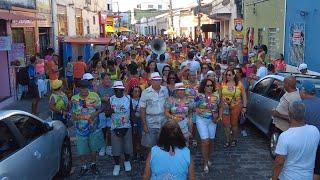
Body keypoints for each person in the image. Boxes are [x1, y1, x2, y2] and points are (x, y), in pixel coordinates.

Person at [272, 101, 320, 180]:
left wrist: (274, 178)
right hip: (307, 177)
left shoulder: (285, 136)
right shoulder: (315, 130)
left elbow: (279, 162)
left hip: (288, 177)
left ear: (289, 115)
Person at [71, 80, 103, 176]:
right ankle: (83, 166)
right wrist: (76, 117)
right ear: (78, 88)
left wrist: (94, 115)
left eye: (86, 88)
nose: (84, 90)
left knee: (93, 148)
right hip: (80, 129)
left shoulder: (95, 96)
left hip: (93, 128)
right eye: (82, 88)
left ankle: (93, 164)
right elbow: (72, 112)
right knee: (81, 149)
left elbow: (100, 108)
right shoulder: (74, 98)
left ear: (88, 88)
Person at [105, 81, 133, 176]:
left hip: (127, 126)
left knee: (128, 146)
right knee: (116, 148)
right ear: (114, 90)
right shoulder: (111, 99)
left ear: (122, 89)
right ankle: (117, 164)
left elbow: (131, 112)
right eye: (116, 90)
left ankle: (126, 161)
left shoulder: (128, 98)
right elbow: (106, 114)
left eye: (120, 90)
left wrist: (134, 125)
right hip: (115, 127)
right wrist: (110, 111)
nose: (118, 91)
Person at [195, 78, 220, 173]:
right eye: (207, 85)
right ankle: (205, 163)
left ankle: (208, 157)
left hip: (212, 121)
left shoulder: (216, 96)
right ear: (204, 87)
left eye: (211, 85)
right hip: (201, 119)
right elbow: (193, 105)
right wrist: (196, 109)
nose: (210, 87)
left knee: (211, 142)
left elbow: (220, 106)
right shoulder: (199, 96)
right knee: (205, 141)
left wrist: (218, 116)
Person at [140, 72, 169, 154]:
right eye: (155, 80)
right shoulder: (145, 92)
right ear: (151, 81)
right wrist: (144, 124)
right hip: (151, 121)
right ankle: (151, 163)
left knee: (163, 144)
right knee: (150, 146)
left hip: (163, 120)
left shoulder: (165, 90)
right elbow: (142, 109)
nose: (157, 82)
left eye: (159, 80)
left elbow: (167, 104)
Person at [221, 69, 247, 148]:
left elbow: (244, 96)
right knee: (225, 124)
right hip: (225, 106)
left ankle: (234, 139)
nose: (227, 76)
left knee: (234, 124)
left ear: (233, 75)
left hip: (236, 106)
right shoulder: (222, 84)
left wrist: (244, 106)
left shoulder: (239, 84)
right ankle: (228, 140)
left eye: (229, 75)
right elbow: (219, 95)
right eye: (226, 75)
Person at [299, 80, 320, 179]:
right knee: (316, 171)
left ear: (303, 91)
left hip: (307, 144)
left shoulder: (301, 105)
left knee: (304, 170)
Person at [96, 73, 114, 157]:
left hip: (111, 112)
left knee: (110, 130)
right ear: (102, 80)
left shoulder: (113, 88)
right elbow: (94, 100)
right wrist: (101, 99)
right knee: (102, 131)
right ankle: (102, 146)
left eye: (109, 78)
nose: (108, 80)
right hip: (101, 112)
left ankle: (109, 147)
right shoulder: (98, 88)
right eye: (106, 79)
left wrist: (110, 99)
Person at [129, 85, 143, 161]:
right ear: (132, 92)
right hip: (132, 120)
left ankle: (141, 153)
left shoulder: (142, 100)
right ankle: (134, 153)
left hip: (140, 120)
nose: (137, 93)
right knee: (133, 137)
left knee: (140, 137)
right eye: (135, 91)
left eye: (138, 91)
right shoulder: (129, 100)